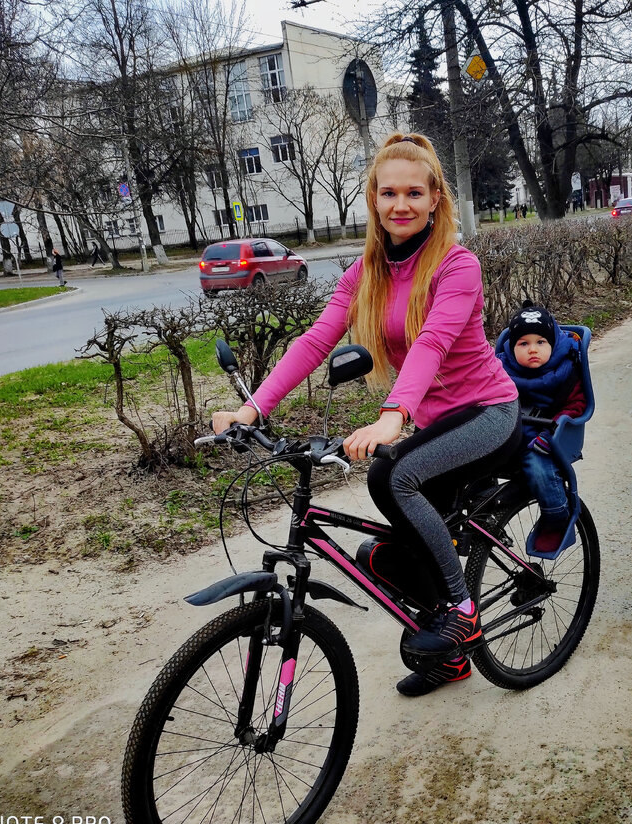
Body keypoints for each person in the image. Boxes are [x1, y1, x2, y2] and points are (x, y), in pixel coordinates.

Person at [211, 132, 520, 697]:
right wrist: (253, 408)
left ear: (435, 200)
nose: (400, 205)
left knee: (391, 474)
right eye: (388, 193)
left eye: (413, 193)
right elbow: (314, 342)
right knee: (382, 554)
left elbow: (432, 341)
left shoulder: (457, 266)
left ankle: (462, 608)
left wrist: (392, 416)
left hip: (486, 413)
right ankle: (451, 660)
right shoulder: (366, 274)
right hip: (435, 422)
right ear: (374, 200)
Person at [496, 305, 587, 557]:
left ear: (553, 342)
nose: (533, 349)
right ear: (512, 348)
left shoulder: (565, 369)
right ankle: (484, 511)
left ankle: (556, 516)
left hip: (549, 436)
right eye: (523, 343)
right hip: (513, 430)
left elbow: (577, 404)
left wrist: (553, 431)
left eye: (540, 341)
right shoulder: (505, 369)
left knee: (538, 465)